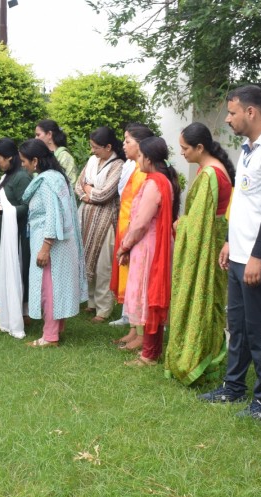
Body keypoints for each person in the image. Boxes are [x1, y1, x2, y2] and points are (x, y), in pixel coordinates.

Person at [199, 85, 261, 422]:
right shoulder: (248, 150)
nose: (228, 119)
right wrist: (231, 242)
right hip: (241, 254)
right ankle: (234, 386)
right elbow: (246, 203)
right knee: (238, 326)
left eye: (232, 112)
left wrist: (257, 255)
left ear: (250, 112)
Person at [163, 123, 234, 385]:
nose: (182, 153)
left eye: (184, 148)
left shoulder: (211, 174)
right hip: (212, 238)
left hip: (208, 243)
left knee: (202, 299)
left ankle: (198, 360)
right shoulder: (211, 169)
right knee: (210, 300)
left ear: (200, 147)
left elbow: (199, 221)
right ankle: (209, 360)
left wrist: (181, 225)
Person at [115, 136, 180, 366]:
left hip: (149, 246)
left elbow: (141, 223)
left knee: (149, 296)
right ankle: (151, 350)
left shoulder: (154, 183)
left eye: (141, 156)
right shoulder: (160, 180)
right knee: (151, 296)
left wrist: (125, 246)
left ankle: (149, 355)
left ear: (149, 159)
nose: (138, 160)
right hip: (153, 244)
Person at [18, 138, 86, 346]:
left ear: (35, 160)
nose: (22, 164)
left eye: (24, 160)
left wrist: (45, 247)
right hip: (62, 242)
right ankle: (57, 329)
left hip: (50, 244)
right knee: (57, 287)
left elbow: (52, 216)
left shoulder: (47, 181)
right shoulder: (57, 177)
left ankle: (49, 336)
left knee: (49, 289)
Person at [0, 138, 33, 338]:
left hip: (18, 236)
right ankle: (8, 317)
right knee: (5, 273)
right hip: (5, 232)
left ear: (10, 157)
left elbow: (27, 207)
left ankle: (23, 315)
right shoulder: (6, 176)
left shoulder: (22, 177)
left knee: (18, 272)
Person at [75, 126, 124, 322]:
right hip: (86, 217)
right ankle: (91, 302)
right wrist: (87, 193)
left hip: (105, 220)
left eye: (96, 147)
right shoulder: (92, 161)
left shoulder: (118, 165)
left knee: (103, 265)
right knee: (87, 259)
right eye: (91, 146)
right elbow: (78, 185)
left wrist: (89, 191)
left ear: (108, 147)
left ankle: (104, 308)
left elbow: (105, 194)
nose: (93, 150)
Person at [111, 124, 155, 339]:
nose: (123, 145)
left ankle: (140, 332)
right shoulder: (134, 167)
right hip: (127, 228)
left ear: (141, 145)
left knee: (138, 282)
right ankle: (132, 328)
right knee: (131, 279)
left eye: (128, 141)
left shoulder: (144, 171)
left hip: (137, 232)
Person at [35, 119, 78, 189]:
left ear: (49, 134)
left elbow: (72, 184)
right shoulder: (38, 155)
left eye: (38, 135)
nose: (35, 138)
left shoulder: (64, 156)